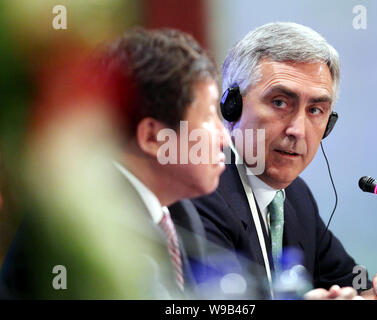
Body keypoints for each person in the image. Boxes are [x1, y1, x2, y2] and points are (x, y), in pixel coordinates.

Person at [0, 28, 228, 299]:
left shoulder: (181, 215)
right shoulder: (78, 226)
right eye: (210, 116)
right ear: (154, 137)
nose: (224, 138)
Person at [192, 22, 377, 300]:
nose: (298, 130)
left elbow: (350, 281)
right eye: (280, 102)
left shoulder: (297, 198)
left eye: (316, 110)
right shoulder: (202, 190)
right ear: (231, 106)